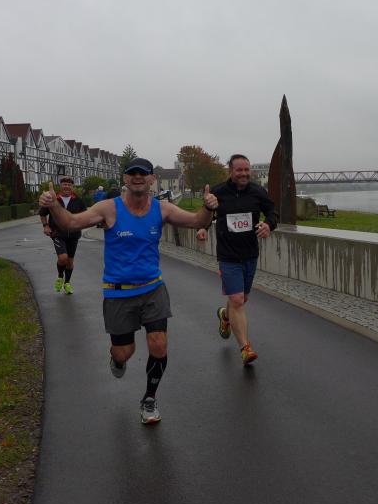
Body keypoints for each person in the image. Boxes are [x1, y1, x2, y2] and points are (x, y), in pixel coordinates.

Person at [38, 157, 217, 424]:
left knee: (159, 344)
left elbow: (196, 221)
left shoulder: (162, 209)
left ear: (152, 179)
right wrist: (53, 206)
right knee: (125, 352)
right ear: (125, 178)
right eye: (132, 173)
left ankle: (149, 399)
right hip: (118, 292)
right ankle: (117, 359)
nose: (138, 177)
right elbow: (71, 223)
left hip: (152, 288)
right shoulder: (109, 208)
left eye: (143, 173)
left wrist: (208, 208)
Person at [210, 154, 277, 365]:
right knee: (238, 299)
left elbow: (273, 212)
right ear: (231, 171)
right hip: (228, 255)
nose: (244, 174)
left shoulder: (258, 192)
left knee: (241, 298)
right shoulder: (218, 192)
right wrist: (202, 227)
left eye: (247, 170)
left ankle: (225, 316)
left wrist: (269, 225)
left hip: (250, 254)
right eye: (239, 170)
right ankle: (245, 348)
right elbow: (207, 215)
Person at [39, 176, 87, 294]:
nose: (67, 187)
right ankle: (60, 276)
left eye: (69, 185)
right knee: (63, 258)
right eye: (64, 184)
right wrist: (45, 226)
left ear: (72, 187)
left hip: (74, 235)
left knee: (70, 262)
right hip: (58, 233)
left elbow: (85, 215)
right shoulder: (53, 199)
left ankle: (67, 283)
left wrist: (82, 223)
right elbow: (42, 213)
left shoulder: (78, 200)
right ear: (60, 186)